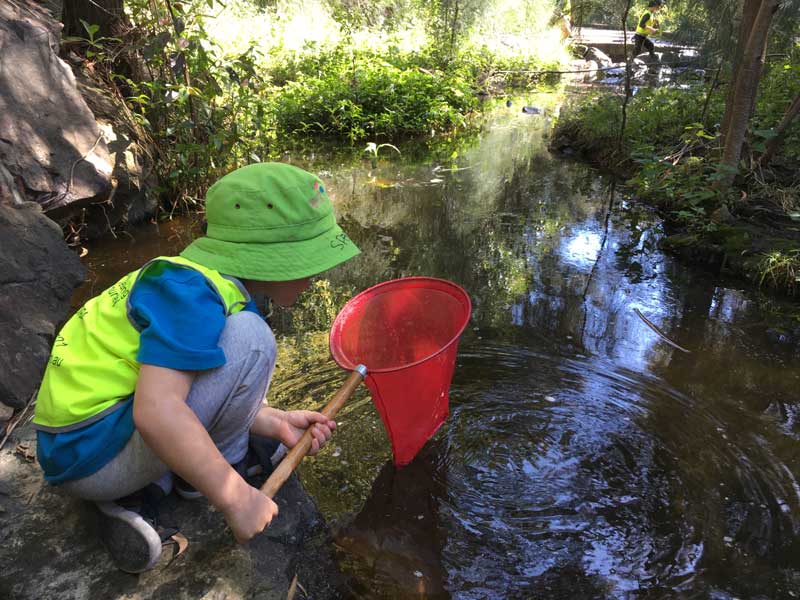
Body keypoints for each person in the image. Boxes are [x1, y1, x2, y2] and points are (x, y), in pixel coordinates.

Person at [32, 162, 361, 573]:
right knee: (252, 338)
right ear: (271, 257)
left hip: (76, 447)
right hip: (95, 457)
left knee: (243, 334)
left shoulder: (191, 282)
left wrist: (271, 420)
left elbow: (172, 384)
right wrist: (236, 498)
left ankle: (155, 488)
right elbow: (157, 410)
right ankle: (205, 474)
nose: (314, 277)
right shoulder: (193, 296)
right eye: (308, 262)